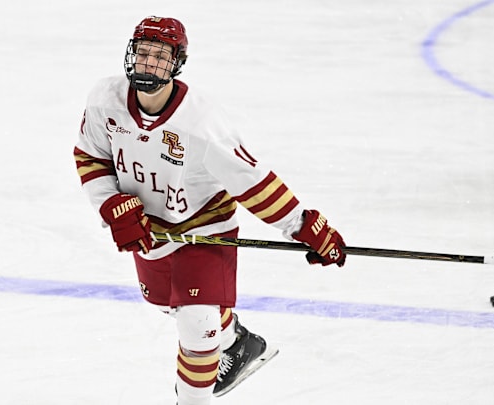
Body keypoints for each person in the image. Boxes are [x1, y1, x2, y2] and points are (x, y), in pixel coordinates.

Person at [73, 16, 347, 405]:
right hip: (149, 230)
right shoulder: (105, 100)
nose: (149, 64)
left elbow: (253, 182)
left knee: (197, 324)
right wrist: (109, 204)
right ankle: (236, 340)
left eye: (160, 56)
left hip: (205, 226)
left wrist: (303, 225)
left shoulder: (201, 123)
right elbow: (90, 156)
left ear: (177, 63)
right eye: (144, 53)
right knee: (174, 307)